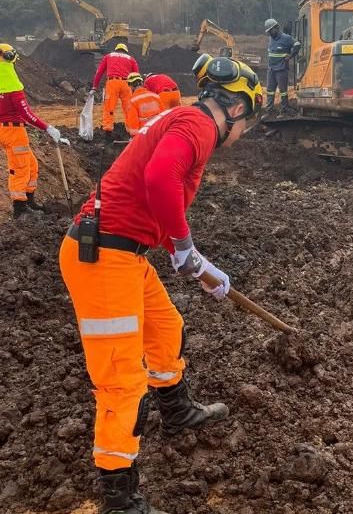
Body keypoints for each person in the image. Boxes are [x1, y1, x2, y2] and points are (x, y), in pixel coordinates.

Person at [59, 54, 263, 514]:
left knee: (167, 328)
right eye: (246, 120)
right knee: (121, 383)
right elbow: (159, 177)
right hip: (103, 258)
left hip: (126, 252)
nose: (243, 132)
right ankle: (120, 500)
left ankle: (177, 411)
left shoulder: (181, 118)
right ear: (234, 110)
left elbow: (155, 185)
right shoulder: (198, 125)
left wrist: (180, 254)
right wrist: (185, 246)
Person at [0, 43, 66, 219]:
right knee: (20, 167)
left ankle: (29, 201)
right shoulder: (12, 86)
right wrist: (48, 128)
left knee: (31, 164)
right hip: (13, 132)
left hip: (7, 129)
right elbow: (26, 113)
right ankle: (20, 209)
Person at [90, 43, 139, 136]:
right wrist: (137, 88)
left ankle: (108, 132)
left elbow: (99, 72)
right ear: (126, 51)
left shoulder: (108, 56)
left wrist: (95, 86)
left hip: (112, 83)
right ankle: (132, 132)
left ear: (116, 49)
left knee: (109, 108)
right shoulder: (131, 59)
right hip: (126, 84)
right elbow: (136, 75)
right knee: (129, 109)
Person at [264, 18, 300, 115]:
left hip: (281, 69)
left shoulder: (286, 38)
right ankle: (269, 110)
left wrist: (291, 55)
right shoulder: (271, 39)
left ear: (276, 28)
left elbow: (297, 44)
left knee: (283, 91)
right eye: (268, 32)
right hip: (271, 69)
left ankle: (284, 110)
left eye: (271, 31)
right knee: (270, 91)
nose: (270, 33)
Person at [125, 72, 162, 137]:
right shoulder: (155, 96)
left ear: (131, 85)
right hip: (158, 132)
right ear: (142, 83)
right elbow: (163, 114)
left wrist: (134, 137)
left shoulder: (133, 101)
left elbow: (133, 121)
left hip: (144, 134)